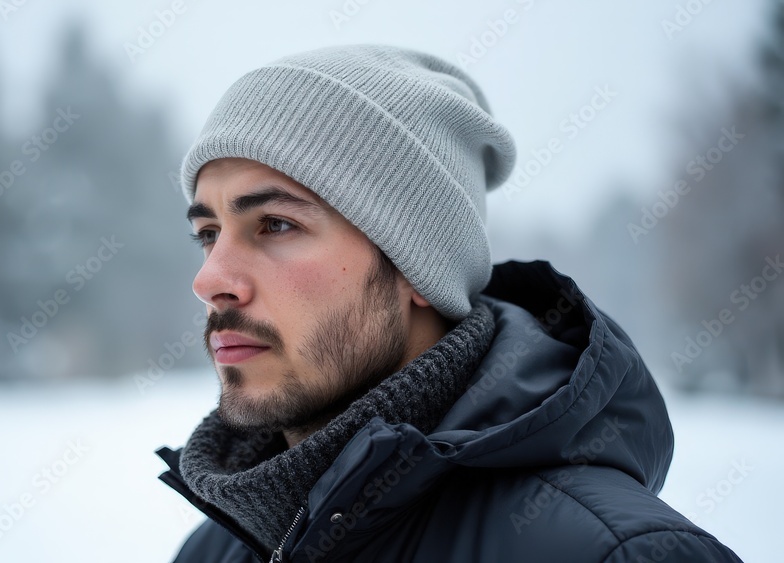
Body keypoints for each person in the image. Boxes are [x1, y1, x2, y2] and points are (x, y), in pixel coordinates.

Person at [155, 44, 743, 562]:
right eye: (208, 233)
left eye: (276, 224)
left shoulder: (615, 552)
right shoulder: (213, 550)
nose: (210, 279)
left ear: (419, 267)